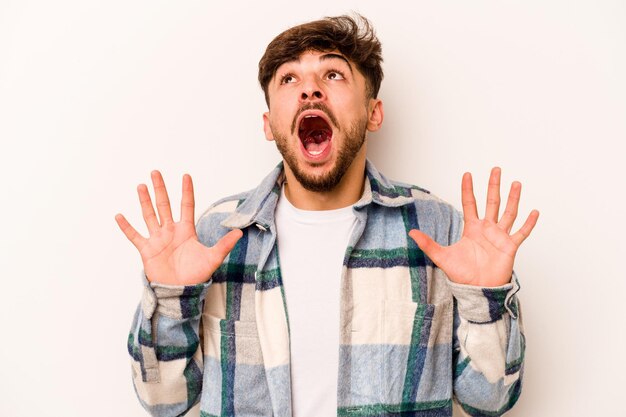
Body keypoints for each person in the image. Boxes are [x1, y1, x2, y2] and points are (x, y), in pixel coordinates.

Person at [116, 14, 538, 417]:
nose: (310, 90)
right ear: (269, 123)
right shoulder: (217, 233)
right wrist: (171, 298)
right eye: (289, 78)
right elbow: (162, 400)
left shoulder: (434, 228)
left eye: (333, 74)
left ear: (374, 113)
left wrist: (488, 303)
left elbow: (490, 400)